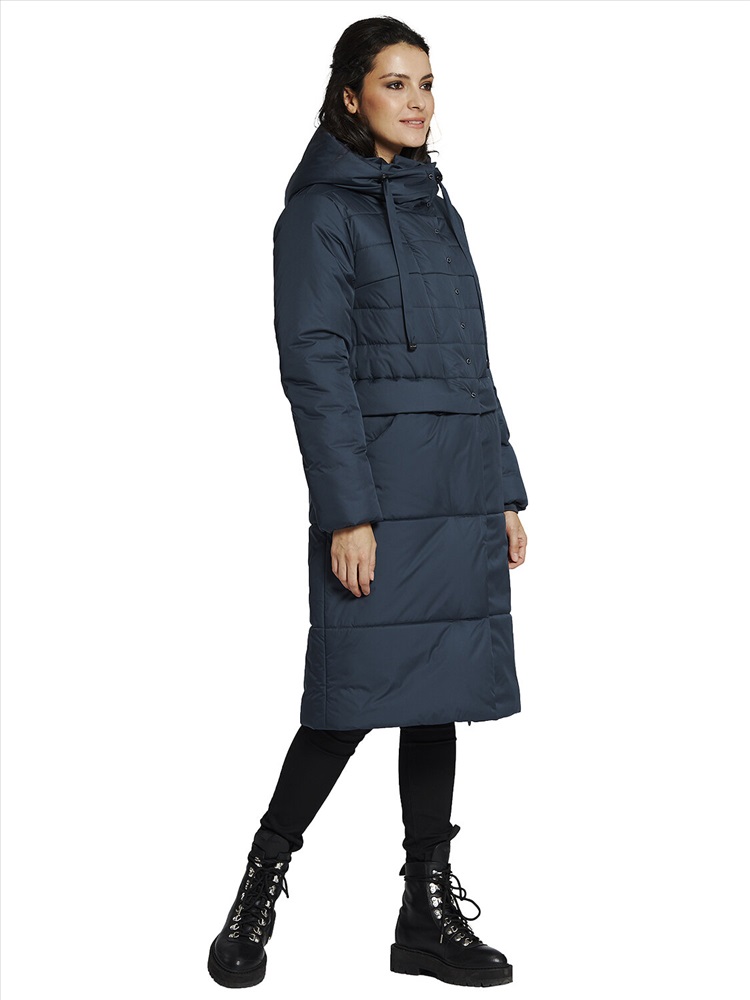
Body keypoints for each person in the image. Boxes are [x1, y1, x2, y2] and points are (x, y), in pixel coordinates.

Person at [207, 16, 529, 991]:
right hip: (382, 495)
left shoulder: (438, 207)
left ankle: (424, 914)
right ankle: (260, 885)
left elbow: (473, 360)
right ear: (350, 96)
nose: (418, 102)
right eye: (395, 83)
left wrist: (503, 488)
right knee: (348, 699)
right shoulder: (317, 214)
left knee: (441, 699)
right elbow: (315, 369)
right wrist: (348, 512)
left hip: (457, 488)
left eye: (427, 83)